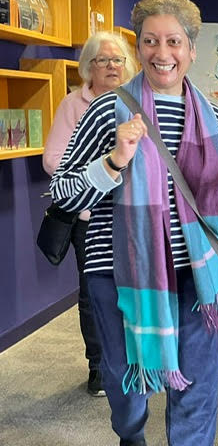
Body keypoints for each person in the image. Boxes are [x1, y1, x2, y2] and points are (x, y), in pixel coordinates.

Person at [49, 0, 218, 446]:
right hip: (121, 273)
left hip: (196, 272)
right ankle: (131, 436)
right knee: (127, 388)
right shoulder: (106, 110)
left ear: (191, 49)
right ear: (139, 48)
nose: (162, 52)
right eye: (150, 41)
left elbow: (215, 196)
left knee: (197, 387)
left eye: (173, 41)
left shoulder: (212, 117)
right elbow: (62, 193)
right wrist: (114, 160)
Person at [42, 31, 136, 397]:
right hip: (90, 217)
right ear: (88, 67)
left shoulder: (135, 100)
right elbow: (53, 160)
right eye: (103, 60)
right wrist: (102, 172)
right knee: (94, 293)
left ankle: (132, 358)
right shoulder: (73, 104)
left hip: (133, 217)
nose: (112, 66)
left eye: (118, 60)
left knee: (133, 288)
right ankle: (98, 366)